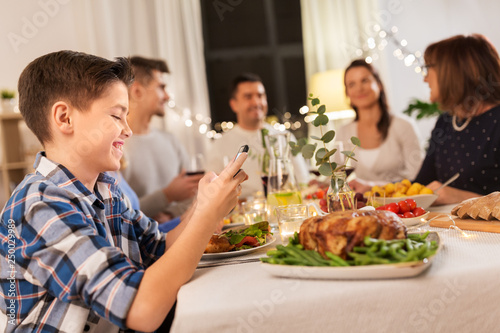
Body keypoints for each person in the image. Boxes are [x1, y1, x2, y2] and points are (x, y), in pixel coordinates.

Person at [0, 50, 248, 332]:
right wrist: (206, 216)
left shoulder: (105, 188)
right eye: (117, 116)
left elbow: (160, 249)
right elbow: (141, 310)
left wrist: (203, 204)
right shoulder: (39, 205)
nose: (127, 130)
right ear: (64, 118)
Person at [414, 34, 500, 205]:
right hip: (449, 229)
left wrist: (460, 198)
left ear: (451, 72)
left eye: (428, 69)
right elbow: (421, 184)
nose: (425, 79)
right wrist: (374, 189)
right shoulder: (446, 122)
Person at [122, 56, 203, 221]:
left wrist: (169, 214)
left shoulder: (171, 141)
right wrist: (166, 196)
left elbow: (195, 194)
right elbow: (118, 212)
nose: (167, 96)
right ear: (137, 91)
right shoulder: (117, 147)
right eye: (161, 87)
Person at [206, 73, 310, 199]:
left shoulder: (284, 138)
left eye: (260, 95)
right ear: (234, 104)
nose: (256, 102)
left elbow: (304, 182)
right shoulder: (220, 145)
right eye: (248, 97)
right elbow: (211, 191)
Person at [335, 59, 424, 193]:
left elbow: (419, 179)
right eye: (352, 84)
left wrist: (374, 186)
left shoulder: (403, 126)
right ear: (347, 93)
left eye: (365, 80)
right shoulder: (344, 132)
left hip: (400, 205)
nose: (359, 88)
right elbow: (336, 176)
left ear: (379, 84)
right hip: (364, 209)